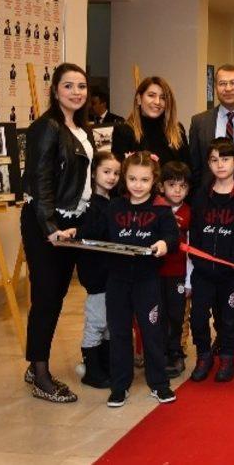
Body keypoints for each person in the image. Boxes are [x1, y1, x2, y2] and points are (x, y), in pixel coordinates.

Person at [20, 63, 93, 403]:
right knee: (46, 298)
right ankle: (40, 374)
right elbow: (40, 181)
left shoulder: (80, 128)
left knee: (57, 295)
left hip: (71, 222)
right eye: (69, 86)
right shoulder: (47, 127)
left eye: (81, 86)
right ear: (55, 90)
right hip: (47, 225)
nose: (76, 92)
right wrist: (50, 228)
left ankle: (35, 364)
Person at [103, 151, 179, 408]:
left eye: (144, 180)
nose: (138, 185)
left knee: (152, 332)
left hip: (148, 281)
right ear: (124, 178)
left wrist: (164, 243)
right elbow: (96, 231)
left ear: (154, 180)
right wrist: (73, 231)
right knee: (119, 332)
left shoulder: (162, 209)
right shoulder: (114, 207)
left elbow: (172, 237)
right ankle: (119, 386)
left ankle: (159, 383)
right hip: (117, 280)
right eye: (132, 179)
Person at [187, 138, 234, 383]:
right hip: (203, 272)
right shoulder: (201, 196)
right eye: (214, 160)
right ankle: (204, 355)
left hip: (232, 273)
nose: (220, 165)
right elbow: (194, 231)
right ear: (208, 164)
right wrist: (200, 260)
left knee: (230, 317)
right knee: (198, 316)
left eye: (225, 159)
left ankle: (227, 357)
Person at [74, 151, 121, 389]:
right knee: (97, 321)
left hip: (112, 272)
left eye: (116, 173)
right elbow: (87, 234)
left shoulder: (113, 202)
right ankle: (92, 369)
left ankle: (105, 364)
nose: (112, 177)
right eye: (106, 172)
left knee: (110, 321)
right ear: (93, 173)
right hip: (95, 273)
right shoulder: (87, 204)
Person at [189, 64, 234, 191]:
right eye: (222, 83)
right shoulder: (199, 122)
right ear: (215, 87)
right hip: (210, 195)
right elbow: (195, 166)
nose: (228, 88)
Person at [158, 161, 192, 379]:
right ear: (161, 186)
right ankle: (159, 353)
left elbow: (192, 251)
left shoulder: (190, 213)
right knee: (158, 315)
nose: (177, 190)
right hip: (155, 274)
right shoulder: (155, 208)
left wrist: (189, 280)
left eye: (182, 186)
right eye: (172, 185)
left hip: (178, 274)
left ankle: (175, 352)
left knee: (176, 315)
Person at [111, 77, 189, 167]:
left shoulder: (177, 129)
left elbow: (187, 169)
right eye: (151, 95)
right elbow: (120, 170)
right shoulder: (124, 132)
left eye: (163, 98)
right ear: (139, 99)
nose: (157, 102)